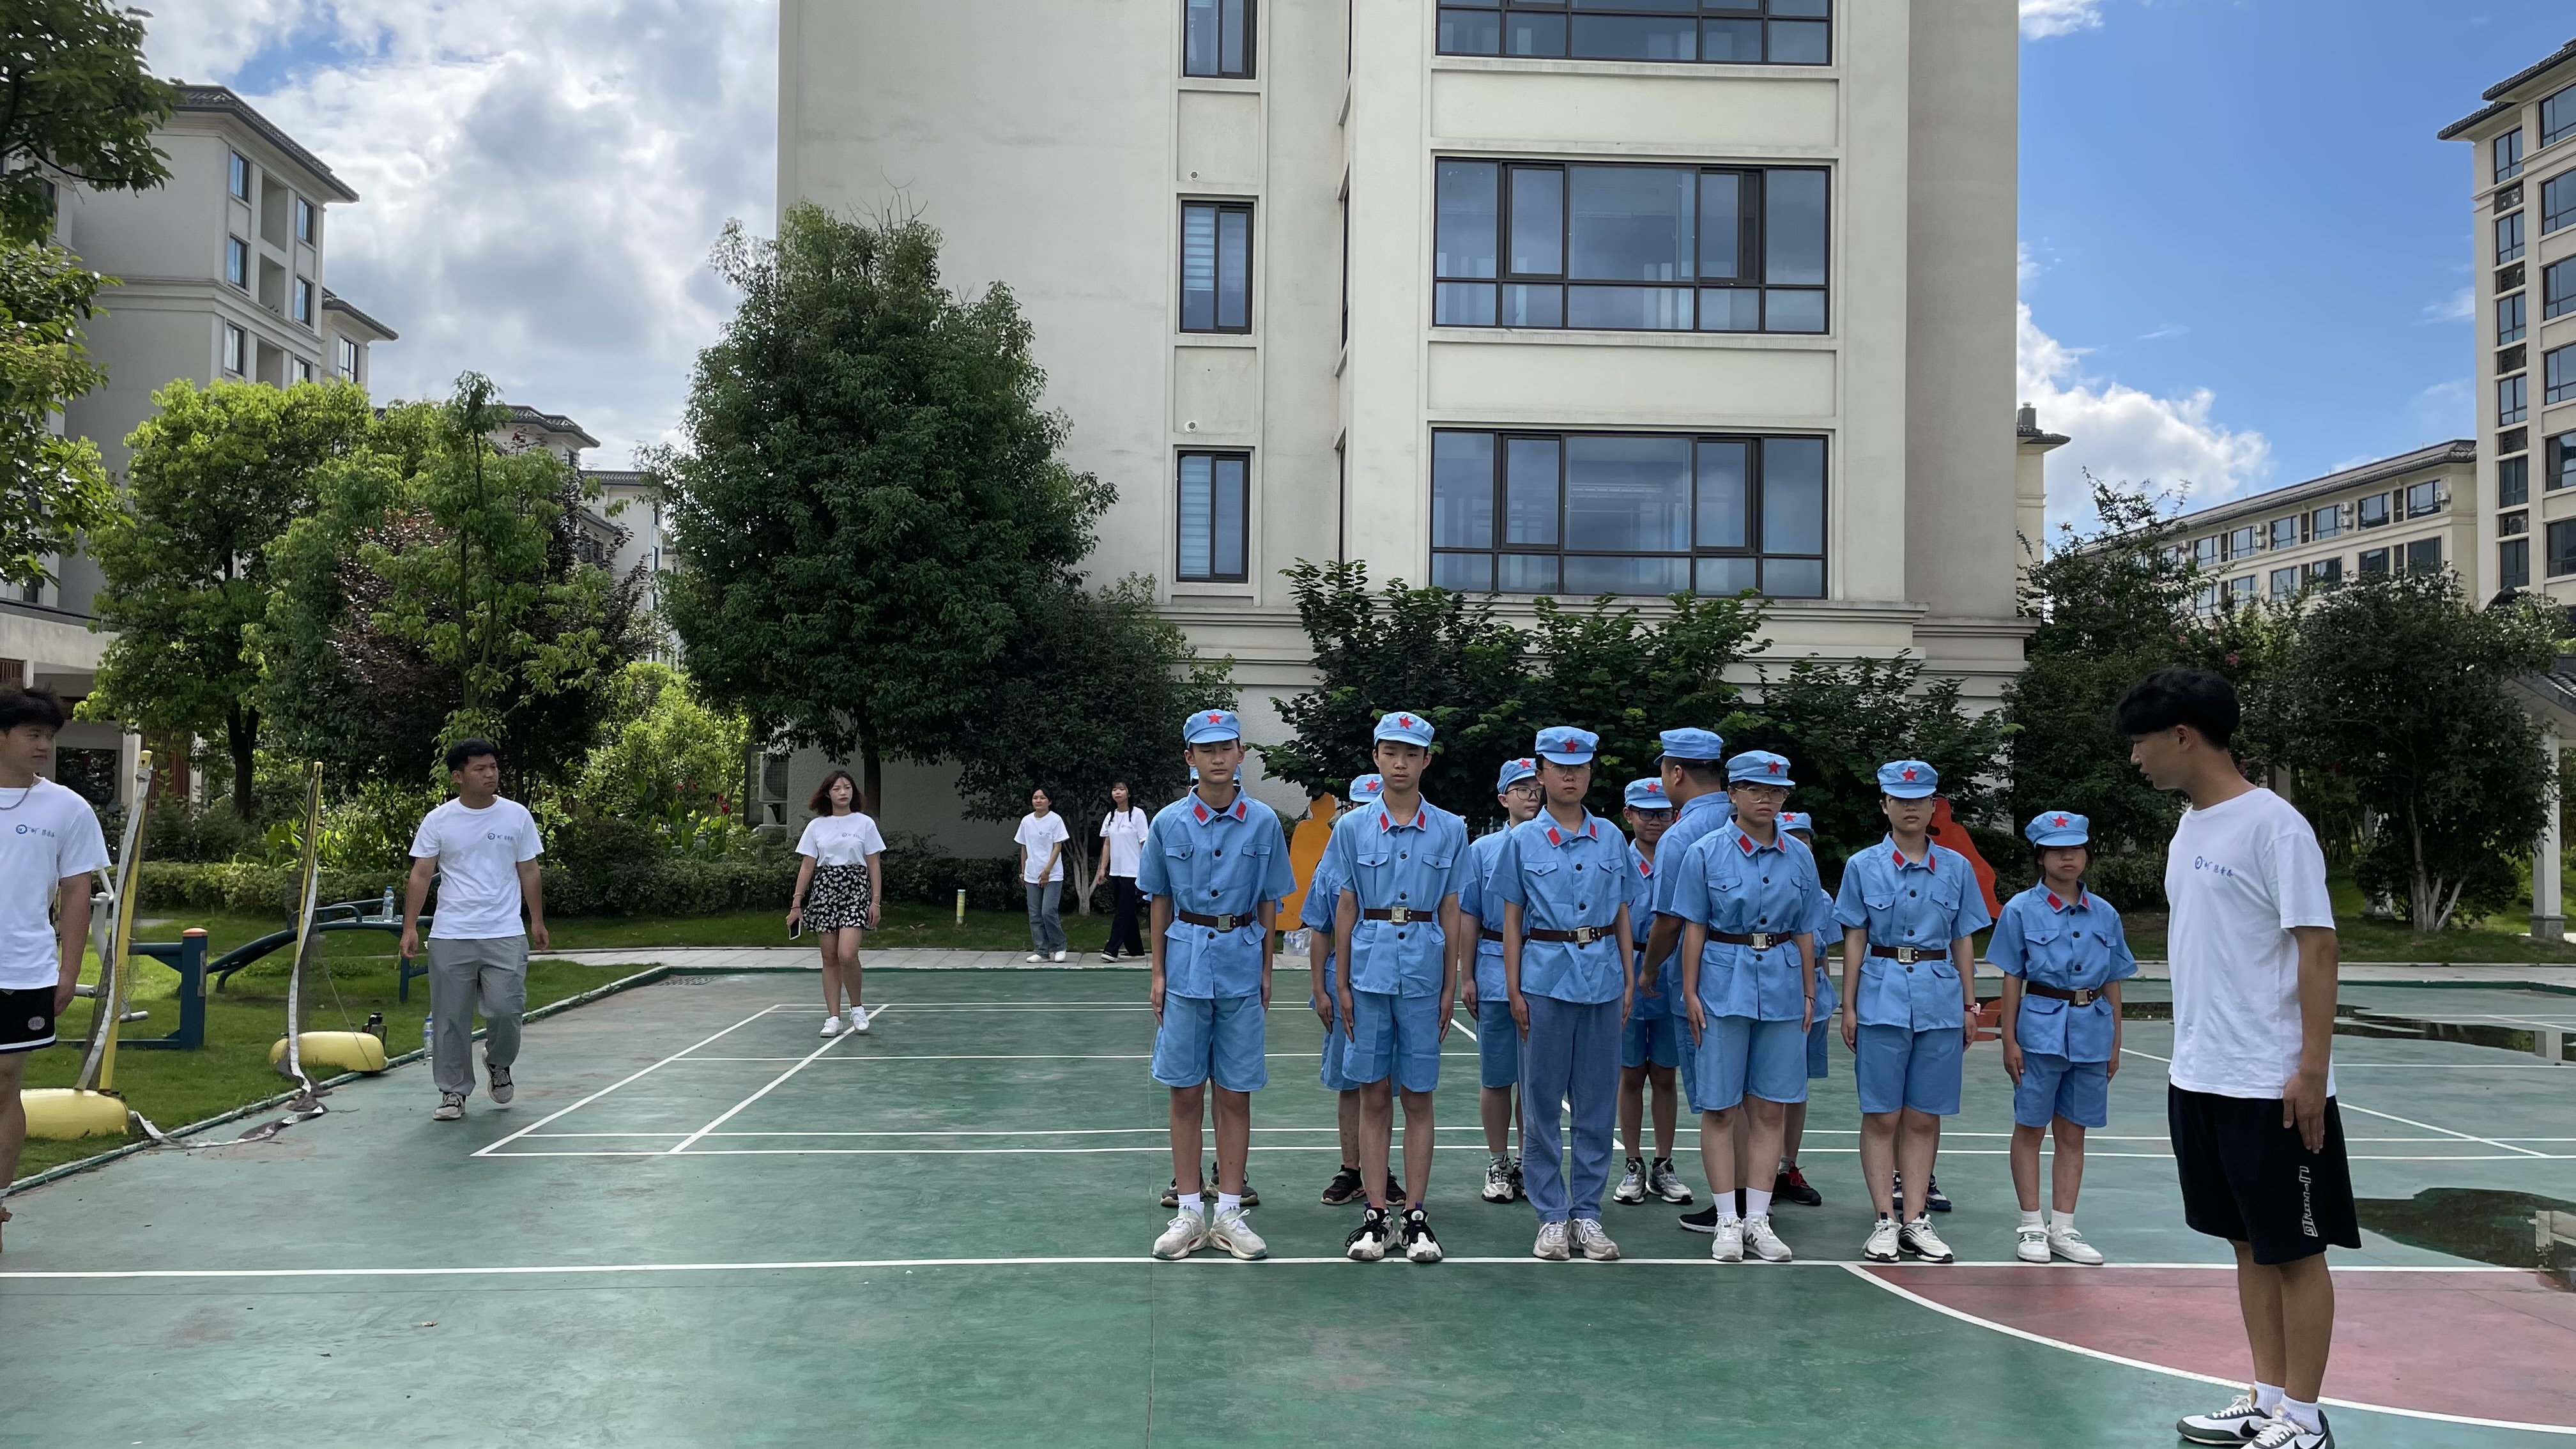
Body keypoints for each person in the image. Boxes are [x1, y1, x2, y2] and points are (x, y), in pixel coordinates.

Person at [2122, 670, 2352, 1449]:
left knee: (2296, 1250)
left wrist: (2311, 1072)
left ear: (2183, 737)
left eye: (2142, 742)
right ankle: (2268, 1398)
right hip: (2199, 1075)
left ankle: (2306, 1421)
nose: (2136, 758)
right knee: (2248, 1243)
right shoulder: (2190, 827)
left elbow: (2318, 948)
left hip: (2271, 1083)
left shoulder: (2274, 826)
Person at [1140, 709, 1292, 1262]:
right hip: (1184, 965)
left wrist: (1268, 969)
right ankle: (1188, 1212)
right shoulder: (1168, 823)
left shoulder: (1264, 823)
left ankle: (1229, 1212)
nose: (1218, 758)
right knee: (1184, 1092)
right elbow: (1160, 900)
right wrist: (1157, 972)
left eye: (1227, 747)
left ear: (1241, 753)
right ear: (1190, 758)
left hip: (1241, 964)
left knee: (1234, 1092)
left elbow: (1270, 900)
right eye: (1206, 750)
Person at [1327, 710, 1469, 1264]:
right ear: (1376, 757)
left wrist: (1450, 985)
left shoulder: (1451, 828)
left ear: (1427, 760)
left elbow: (1452, 909)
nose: (1401, 763)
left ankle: (1415, 1216)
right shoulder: (1352, 828)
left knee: (1418, 1094)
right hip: (1368, 972)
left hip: (1424, 972)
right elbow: (1345, 905)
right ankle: (1375, 1216)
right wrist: (1340, 983)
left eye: (1412, 753)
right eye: (1391, 752)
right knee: (1372, 1091)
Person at [1834, 760, 1989, 1264]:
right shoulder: (1863, 866)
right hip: (1880, 995)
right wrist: (1848, 1005)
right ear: (1885, 805)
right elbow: (1854, 937)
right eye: (1900, 800)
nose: (1910, 808)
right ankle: (1884, 1218)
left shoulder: (1957, 868)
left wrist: (1970, 1003)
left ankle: (1916, 1218)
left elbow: (1962, 938)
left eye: (1919, 800)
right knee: (1882, 1114)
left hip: (1939, 998)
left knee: (1923, 1116)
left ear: (1932, 805)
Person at [1671, 751, 1821, 1264]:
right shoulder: (1705, 852)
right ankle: (1727, 1219)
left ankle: (1758, 1219)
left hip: (1781, 984)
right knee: (1720, 1106)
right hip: (1722, 982)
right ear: (1733, 794)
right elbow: (1694, 927)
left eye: (1776, 791)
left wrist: (1809, 992)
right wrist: (1690, 992)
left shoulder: (1799, 856)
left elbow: (1805, 928)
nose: (1766, 799)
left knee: (1770, 1107)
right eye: (1755, 789)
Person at [1496, 726, 1634, 1264]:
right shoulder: (1521, 840)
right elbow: (1512, 919)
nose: (1570, 776)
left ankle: (1588, 1214)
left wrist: (1628, 978)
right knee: (1541, 1105)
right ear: (1542, 774)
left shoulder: (1612, 838)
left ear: (1591, 771)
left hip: (1602, 978)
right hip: (1545, 979)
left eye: (1579, 767)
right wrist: (1513, 987)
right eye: (1559, 767)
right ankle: (1552, 1215)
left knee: (1597, 1104)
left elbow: (1621, 912)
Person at [1990, 809, 2136, 1267]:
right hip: (2039, 1032)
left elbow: (2113, 980)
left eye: (2075, 848)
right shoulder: (2020, 910)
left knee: (2074, 1132)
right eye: (2056, 850)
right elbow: (2012, 978)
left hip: (2092, 1032)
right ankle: (2031, 1225)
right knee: (2031, 1128)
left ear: (2086, 854)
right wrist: (2008, 1039)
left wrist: (2115, 1042)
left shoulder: (2105, 914)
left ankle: (2064, 1227)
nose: (2067, 857)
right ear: (2041, 857)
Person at [0, 687, 110, 1250]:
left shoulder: (67, 809)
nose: (44, 746)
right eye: (33, 734)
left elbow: (76, 894)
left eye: (49, 736)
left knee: (5, 1082)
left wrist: (69, 972)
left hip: (24, 970)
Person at [400, 739, 549, 1123]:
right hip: (451, 933)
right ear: (458, 776)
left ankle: (499, 1062)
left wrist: (536, 920)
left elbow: (529, 870)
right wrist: (409, 927)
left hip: (504, 932)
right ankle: (453, 1091)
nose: (490, 774)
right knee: (450, 1018)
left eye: (493, 767)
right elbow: (421, 874)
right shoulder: (439, 820)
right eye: (480, 769)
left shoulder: (516, 816)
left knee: (506, 1008)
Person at [1632, 727, 1742, 1237]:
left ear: (1676, 773)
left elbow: (1669, 921)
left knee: (1719, 1101)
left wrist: (1650, 969)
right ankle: (1753, 1202)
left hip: (1703, 980)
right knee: (1751, 1099)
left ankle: (1730, 1206)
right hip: (1761, 979)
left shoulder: (1681, 836)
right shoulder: (1749, 818)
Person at [1311, 773, 1402, 1208]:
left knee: (1386, 1081)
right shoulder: (1332, 865)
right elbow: (1320, 929)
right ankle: (1352, 1168)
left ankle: (1379, 1170)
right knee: (1352, 1080)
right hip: (1344, 981)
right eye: (1360, 806)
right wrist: (1321, 989)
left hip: (1390, 978)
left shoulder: (1400, 857)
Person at [1455, 757, 1540, 1204]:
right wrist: (1467, 974)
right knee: (1497, 1076)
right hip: (1491, 967)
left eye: (1536, 788)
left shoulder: (1554, 844)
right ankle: (1498, 1160)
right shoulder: (1482, 851)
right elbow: (1469, 915)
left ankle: (1530, 1161)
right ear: (1504, 798)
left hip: (1543, 965)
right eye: (1522, 789)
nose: (1532, 796)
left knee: (1537, 1079)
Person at [1613, 775, 1692, 1207]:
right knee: (1629, 1073)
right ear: (1629, 815)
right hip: (1627, 968)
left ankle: (1664, 1163)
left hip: (1672, 971)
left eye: (1662, 813)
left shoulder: (1682, 857)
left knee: (1664, 1073)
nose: (1654, 821)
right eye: (1645, 813)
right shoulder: (1617, 860)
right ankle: (1632, 1163)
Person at [788, 769, 885, 1037]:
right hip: (825, 891)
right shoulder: (816, 827)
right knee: (829, 958)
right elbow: (808, 866)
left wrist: (875, 902)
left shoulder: (865, 823)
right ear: (827, 794)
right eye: (837, 789)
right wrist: (797, 903)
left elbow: (874, 864)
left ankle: (857, 1008)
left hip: (856, 890)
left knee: (847, 954)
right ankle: (833, 1018)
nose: (843, 793)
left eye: (847, 787)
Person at [1770, 811, 1833, 1208]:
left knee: (1796, 1088)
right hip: (1777, 992)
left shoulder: (1822, 899)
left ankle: (1786, 1166)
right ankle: (1760, 1171)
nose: (1798, 844)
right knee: (1766, 1089)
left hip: (1813, 1001)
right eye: (1790, 835)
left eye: (1804, 837)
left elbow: (1822, 955)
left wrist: (1824, 999)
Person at [1096, 781, 1151, 962]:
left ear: (1128, 793)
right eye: (1114, 789)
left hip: (1133, 871)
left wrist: (1148, 867)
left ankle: (1112, 949)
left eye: (1121, 789)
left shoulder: (1137, 814)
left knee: (1123, 911)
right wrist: (1103, 868)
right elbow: (1107, 843)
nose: (1117, 792)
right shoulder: (1110, 816)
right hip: (1116, 871)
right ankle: (1135, 949)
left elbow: (1145, 842)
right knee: (1126, 909)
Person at [1015, 788, 1071, 963]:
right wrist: (1023, 871)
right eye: (1035, 798)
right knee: (1035, 915)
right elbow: (1024, 847)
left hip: (1052, 874)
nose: (1038, 801)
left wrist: (1047, 871)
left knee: (1048, 912)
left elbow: (1057, 847)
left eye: (1042, 798)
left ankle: (1059, 946)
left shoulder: (1055, 820)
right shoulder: (1026, 821)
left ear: (1050, 801)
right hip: (1032, 874)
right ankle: (1041, 950)